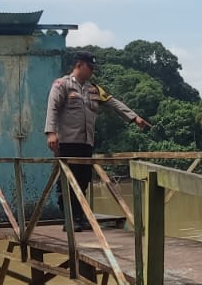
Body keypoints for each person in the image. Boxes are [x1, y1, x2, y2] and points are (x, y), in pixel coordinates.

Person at [45, 51, 150, 230]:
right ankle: (71, 219)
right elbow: (53, 108)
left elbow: (113, 102)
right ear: (79, 65)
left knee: (83, 181)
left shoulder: (94, 89)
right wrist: (51, 133)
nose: (92, 71)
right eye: (90, 67)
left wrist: (134, 118)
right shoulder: (62, 85)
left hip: (86, 143)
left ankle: (80, 217)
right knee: (67, 182)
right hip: (67, 143)